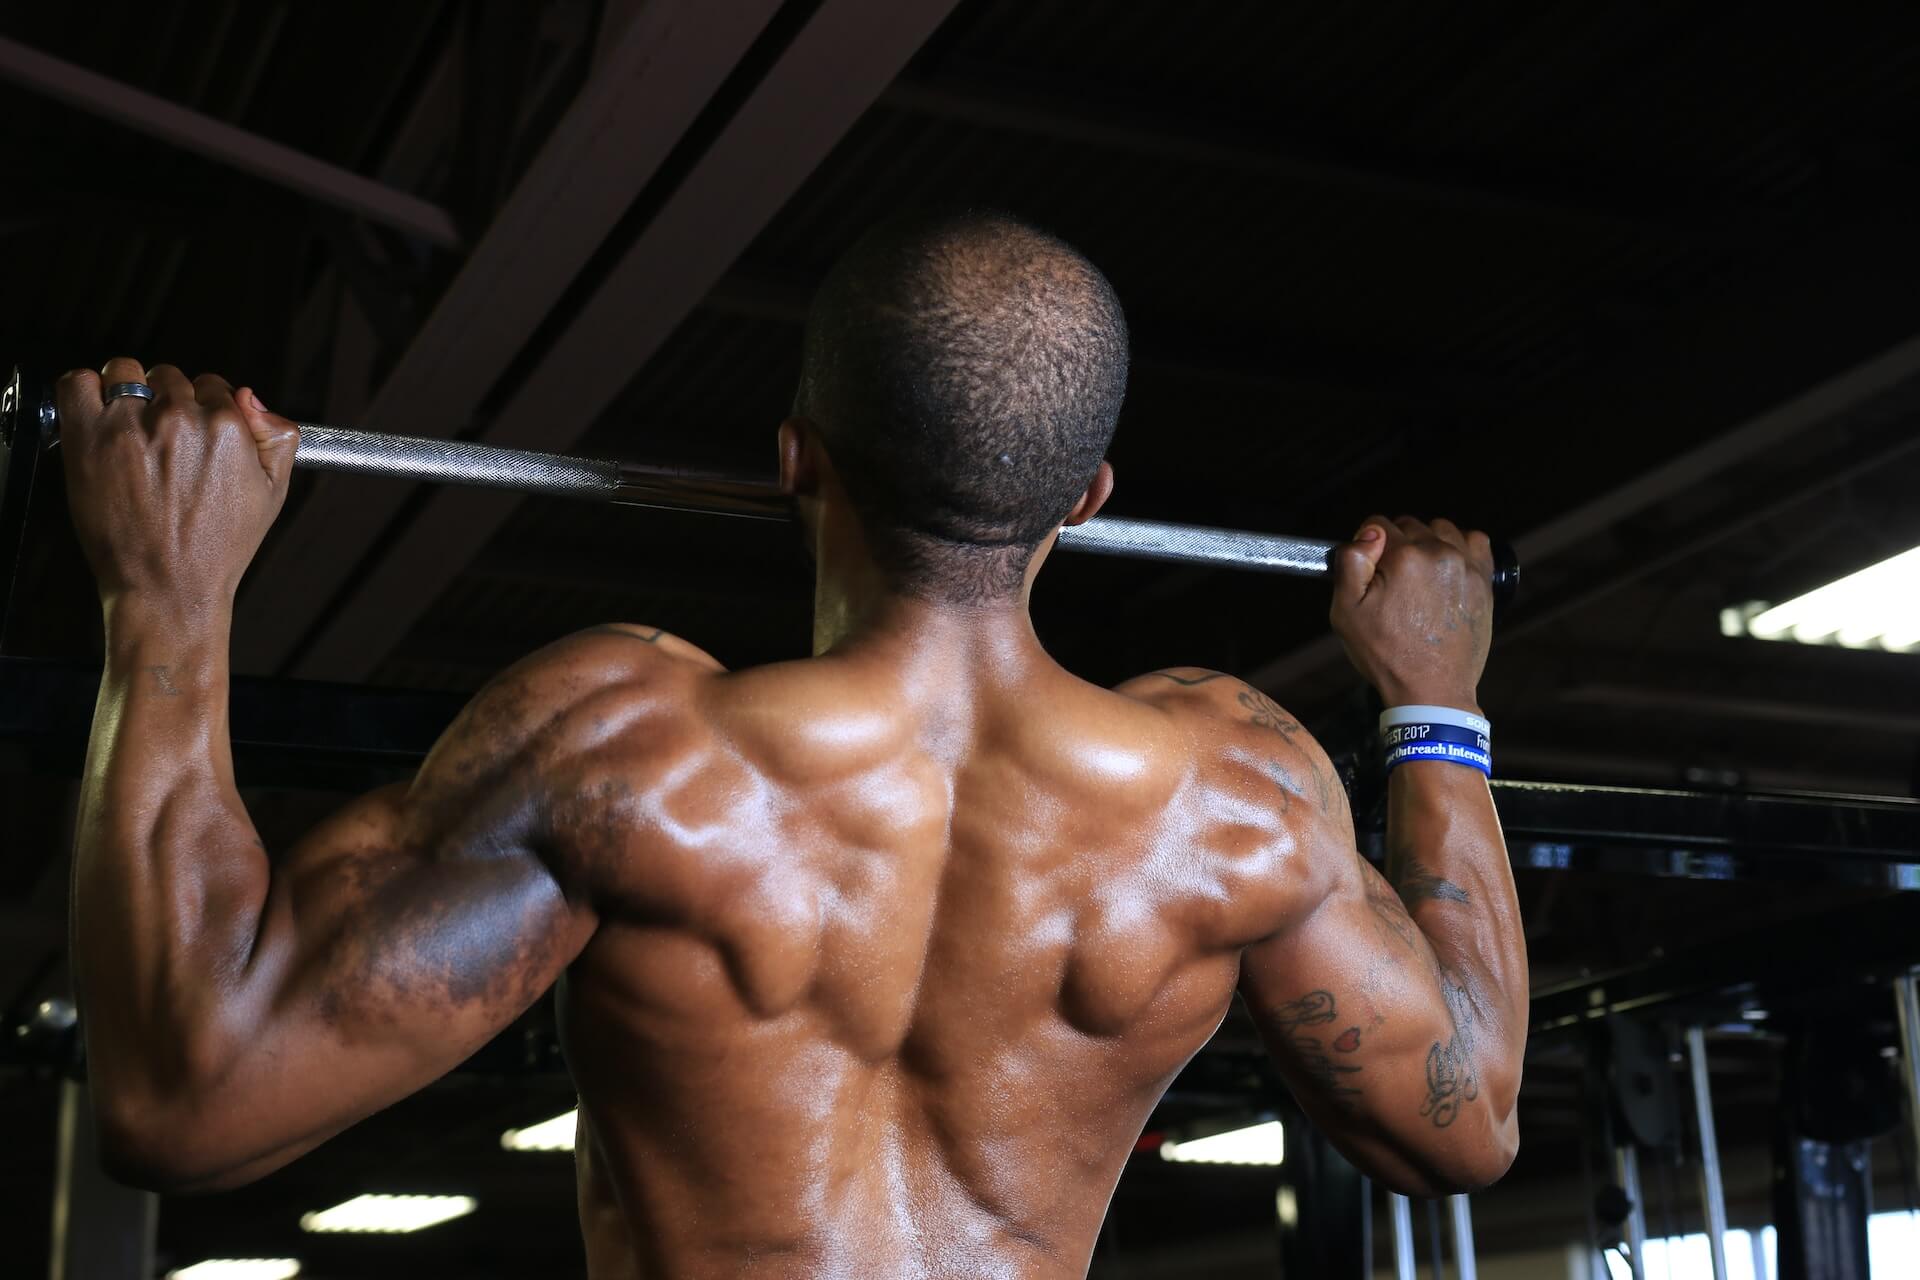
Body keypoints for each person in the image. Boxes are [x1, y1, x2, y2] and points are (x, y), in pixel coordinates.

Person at [58, 210, 1526, 1279]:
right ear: (1088, 495)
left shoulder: (629, 754)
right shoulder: (1235, 795)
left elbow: (183, 1097)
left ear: (794, 457)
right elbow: (1467, 1123)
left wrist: (169, 598)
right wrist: (1434, 702)